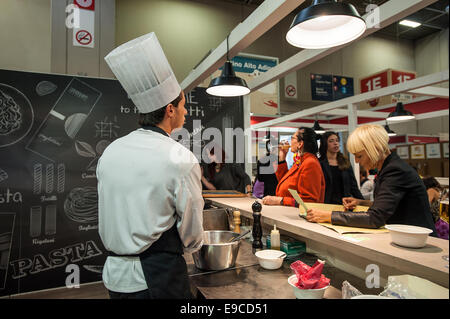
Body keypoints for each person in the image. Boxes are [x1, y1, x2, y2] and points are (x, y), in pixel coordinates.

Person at [98, 32, 204, 299]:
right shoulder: (180, 158)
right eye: (183, 105)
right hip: (158, 277)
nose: (186, 111)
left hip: (114, 276)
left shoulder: (111, 151)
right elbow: (191, 233)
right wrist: (193, 246)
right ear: (170, 110)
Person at [306, 124, 437, 236]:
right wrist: (361, 202)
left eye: (359, 156)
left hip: (418, 240)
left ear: (375, 149)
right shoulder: (389, 168)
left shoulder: (395, 170)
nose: (357, 161)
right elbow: (388, 205)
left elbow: (375, 218)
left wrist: (327, 216)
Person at [262, 127, 325, 206]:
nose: (289, 142)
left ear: (300, 144)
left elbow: (309, 200)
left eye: (292, 138)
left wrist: (280, 200)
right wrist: (282, 157)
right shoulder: (301, 161)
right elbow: (284, 182)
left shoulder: (310, 163)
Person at [318, 131, 363, 204]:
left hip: (344, 204)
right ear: (325, 144)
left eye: (337, 140)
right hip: (326, 204)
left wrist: (362, 202)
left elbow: (353, 187)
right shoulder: (319, 163)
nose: (335, 143)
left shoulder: (345, 162)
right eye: (331, 141)